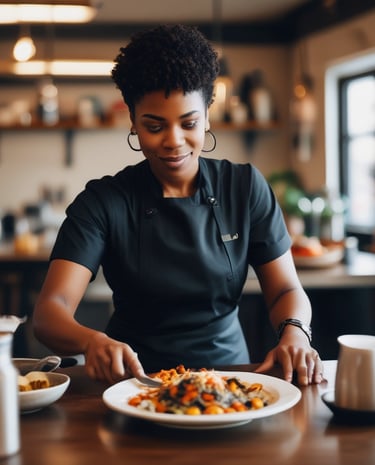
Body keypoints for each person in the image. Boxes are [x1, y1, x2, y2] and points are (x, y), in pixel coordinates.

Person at [33, 24, 323, 386]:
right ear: (133, 121)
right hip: (132, 382)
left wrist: (295, 331)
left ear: (207, 116)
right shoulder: (102, 202)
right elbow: (49, 312)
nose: (173, 141)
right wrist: (92, 341)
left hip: (229, 379)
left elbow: (285, 290)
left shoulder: (245, 187)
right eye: (154, 126)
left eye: (189, 123)